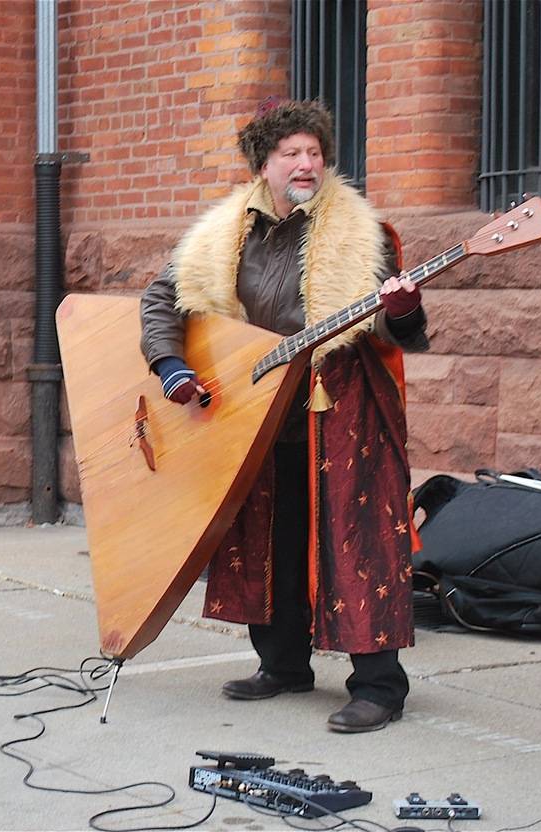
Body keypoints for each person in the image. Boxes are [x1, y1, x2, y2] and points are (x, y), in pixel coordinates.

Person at [139, 98, 428, 733]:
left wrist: (403, 309)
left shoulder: (363, 233)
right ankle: (284, 664)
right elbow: (163, 299)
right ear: (262, 163)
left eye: (315, 153)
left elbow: (397, 328)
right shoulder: (223, 233)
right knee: (267, 532)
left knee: (357, 539)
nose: (306, 163)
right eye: (291, 153)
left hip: (341, 400)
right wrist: (172, 368)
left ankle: (379, 686)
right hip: (254, 404)